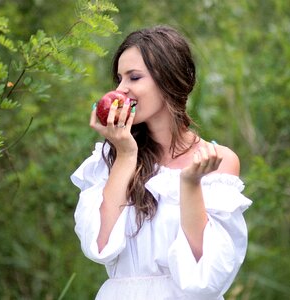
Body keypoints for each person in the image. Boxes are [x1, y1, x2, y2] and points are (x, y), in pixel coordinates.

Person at [70, 25, 252, 300]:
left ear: (168, 79)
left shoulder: (218, 162)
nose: (121, 90)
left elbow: (205, 275)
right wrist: (126, 156)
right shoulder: (110, 158)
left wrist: (190, 184)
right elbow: (100, 245)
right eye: (119, 79)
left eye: (134, 77)